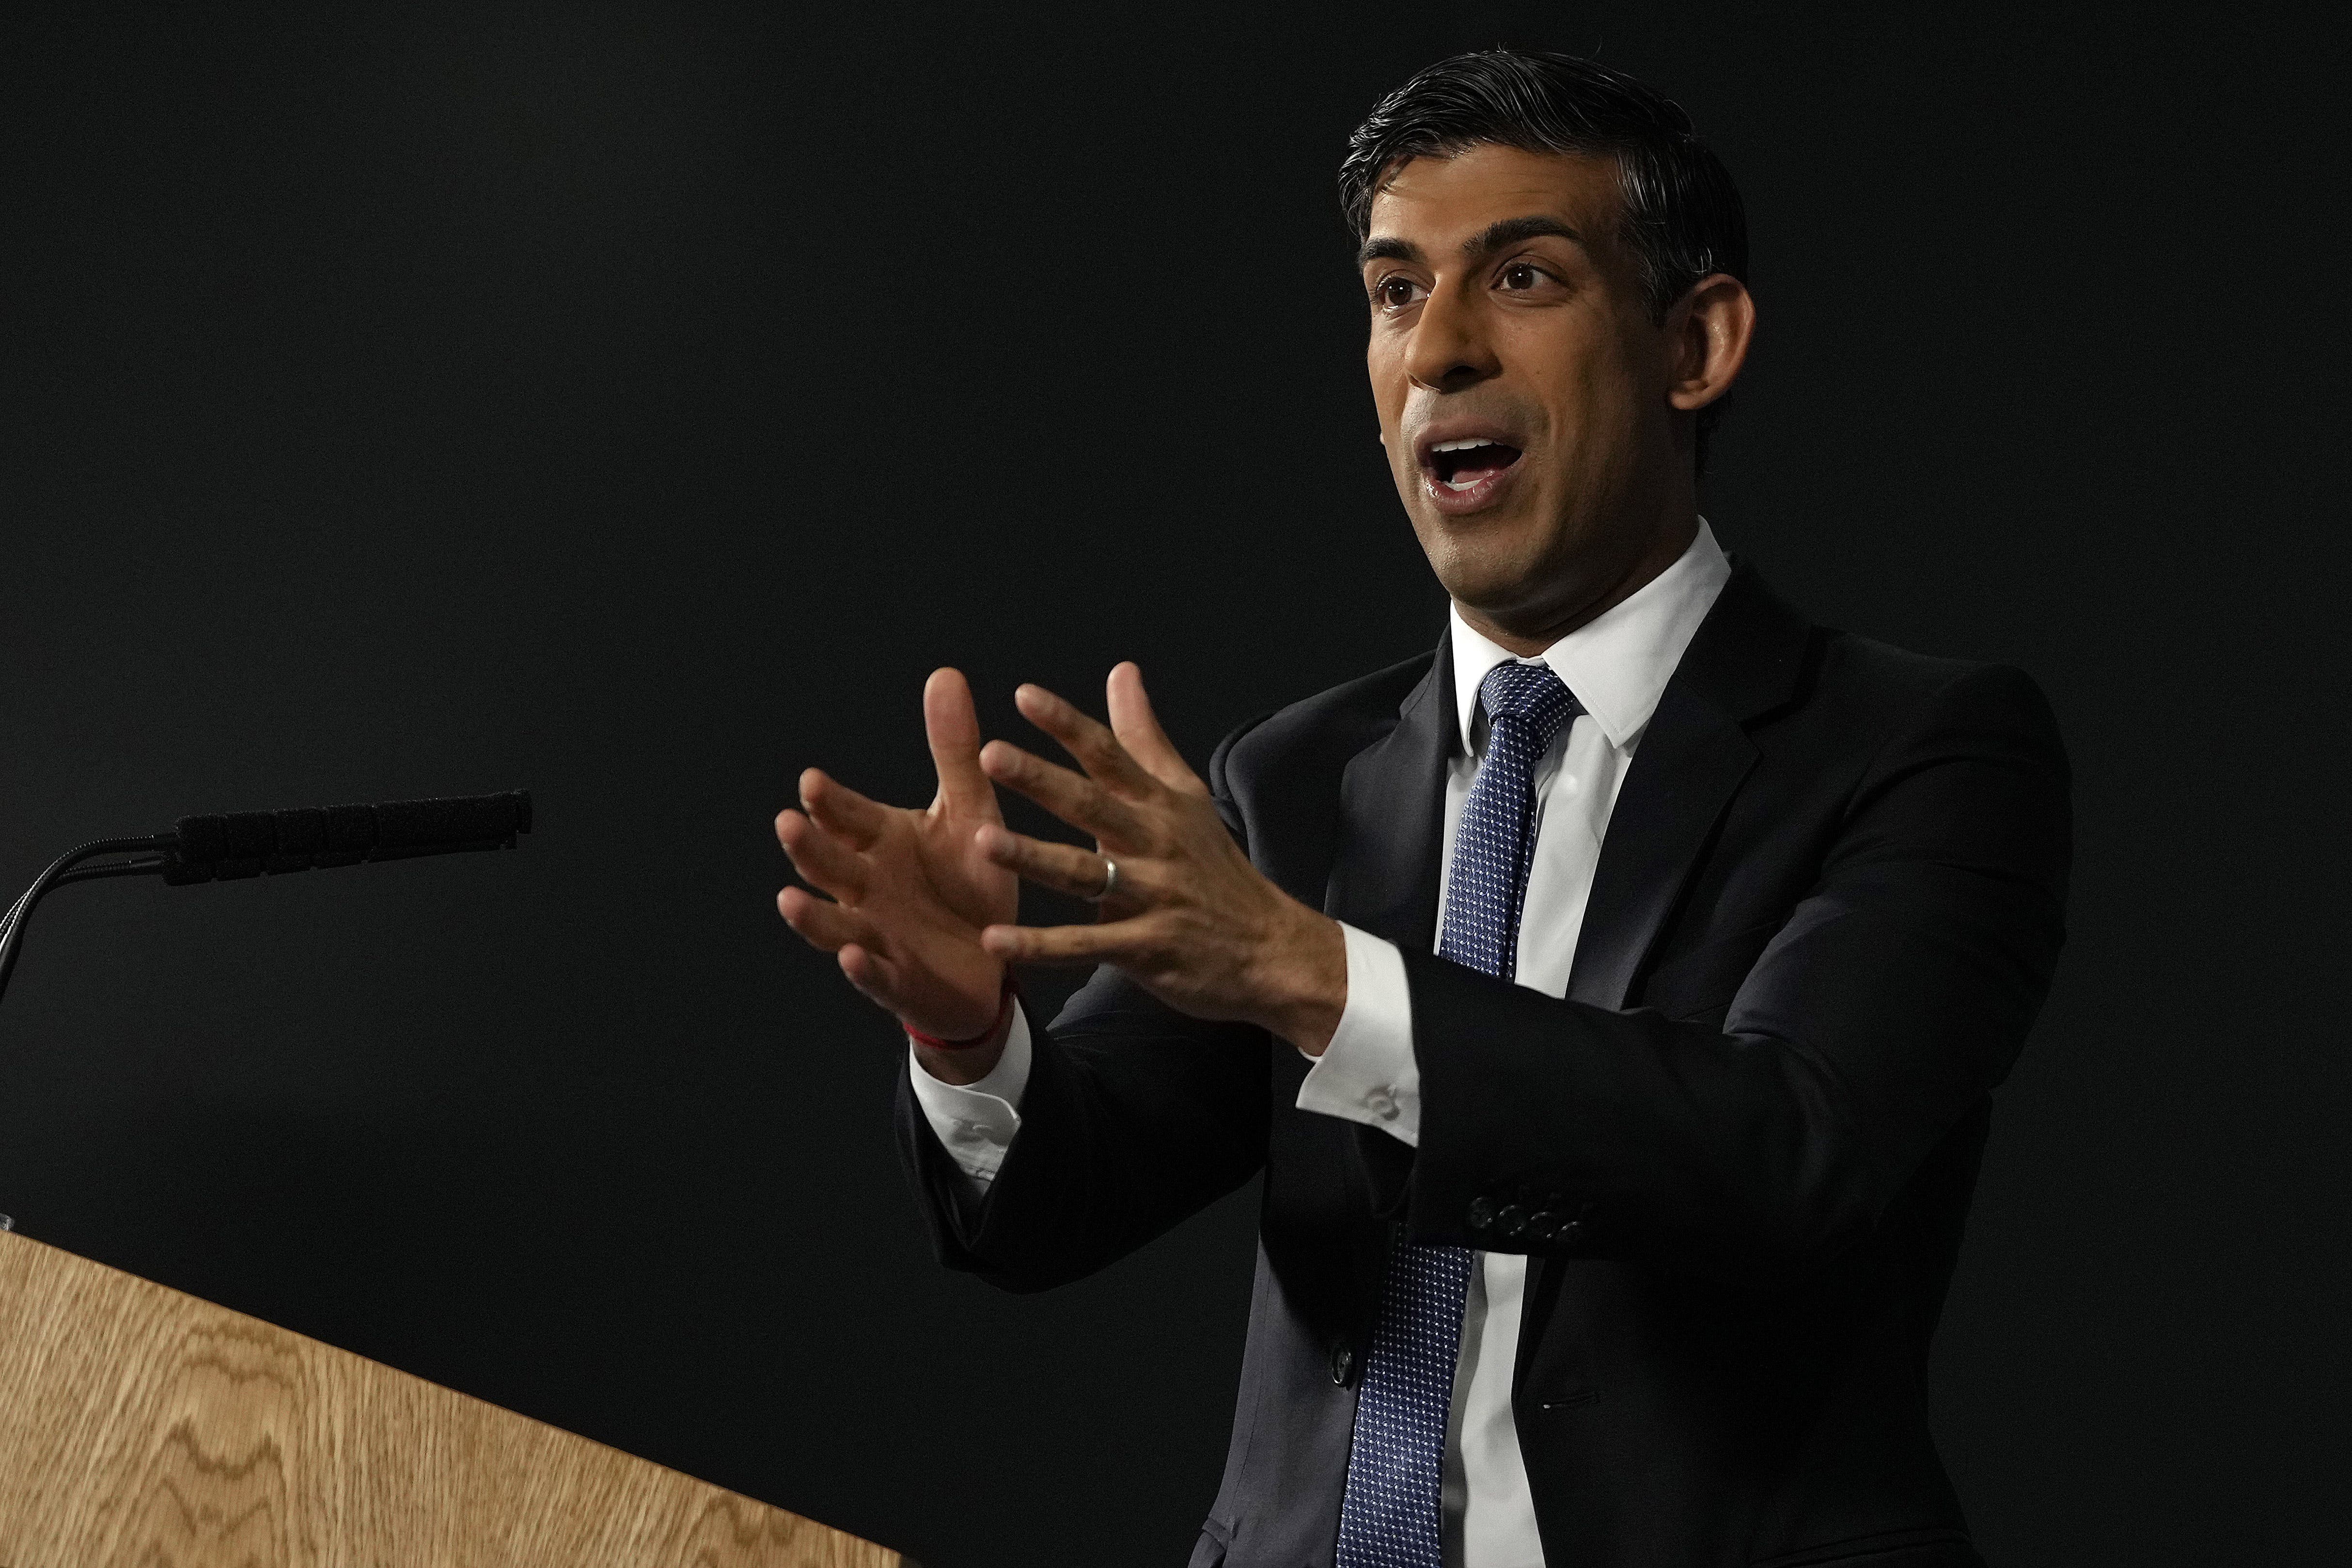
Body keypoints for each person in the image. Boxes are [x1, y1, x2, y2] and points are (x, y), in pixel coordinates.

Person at [773, 48, 2069, 1568]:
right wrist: (969, 1035)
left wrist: (1314, 976)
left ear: (1697, 342)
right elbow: (1057, 1200)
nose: (1439, 348)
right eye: (1396, 291)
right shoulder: (1295, 776)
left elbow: (1788, 1152)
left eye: (1522, 275)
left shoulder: (1921, 747)